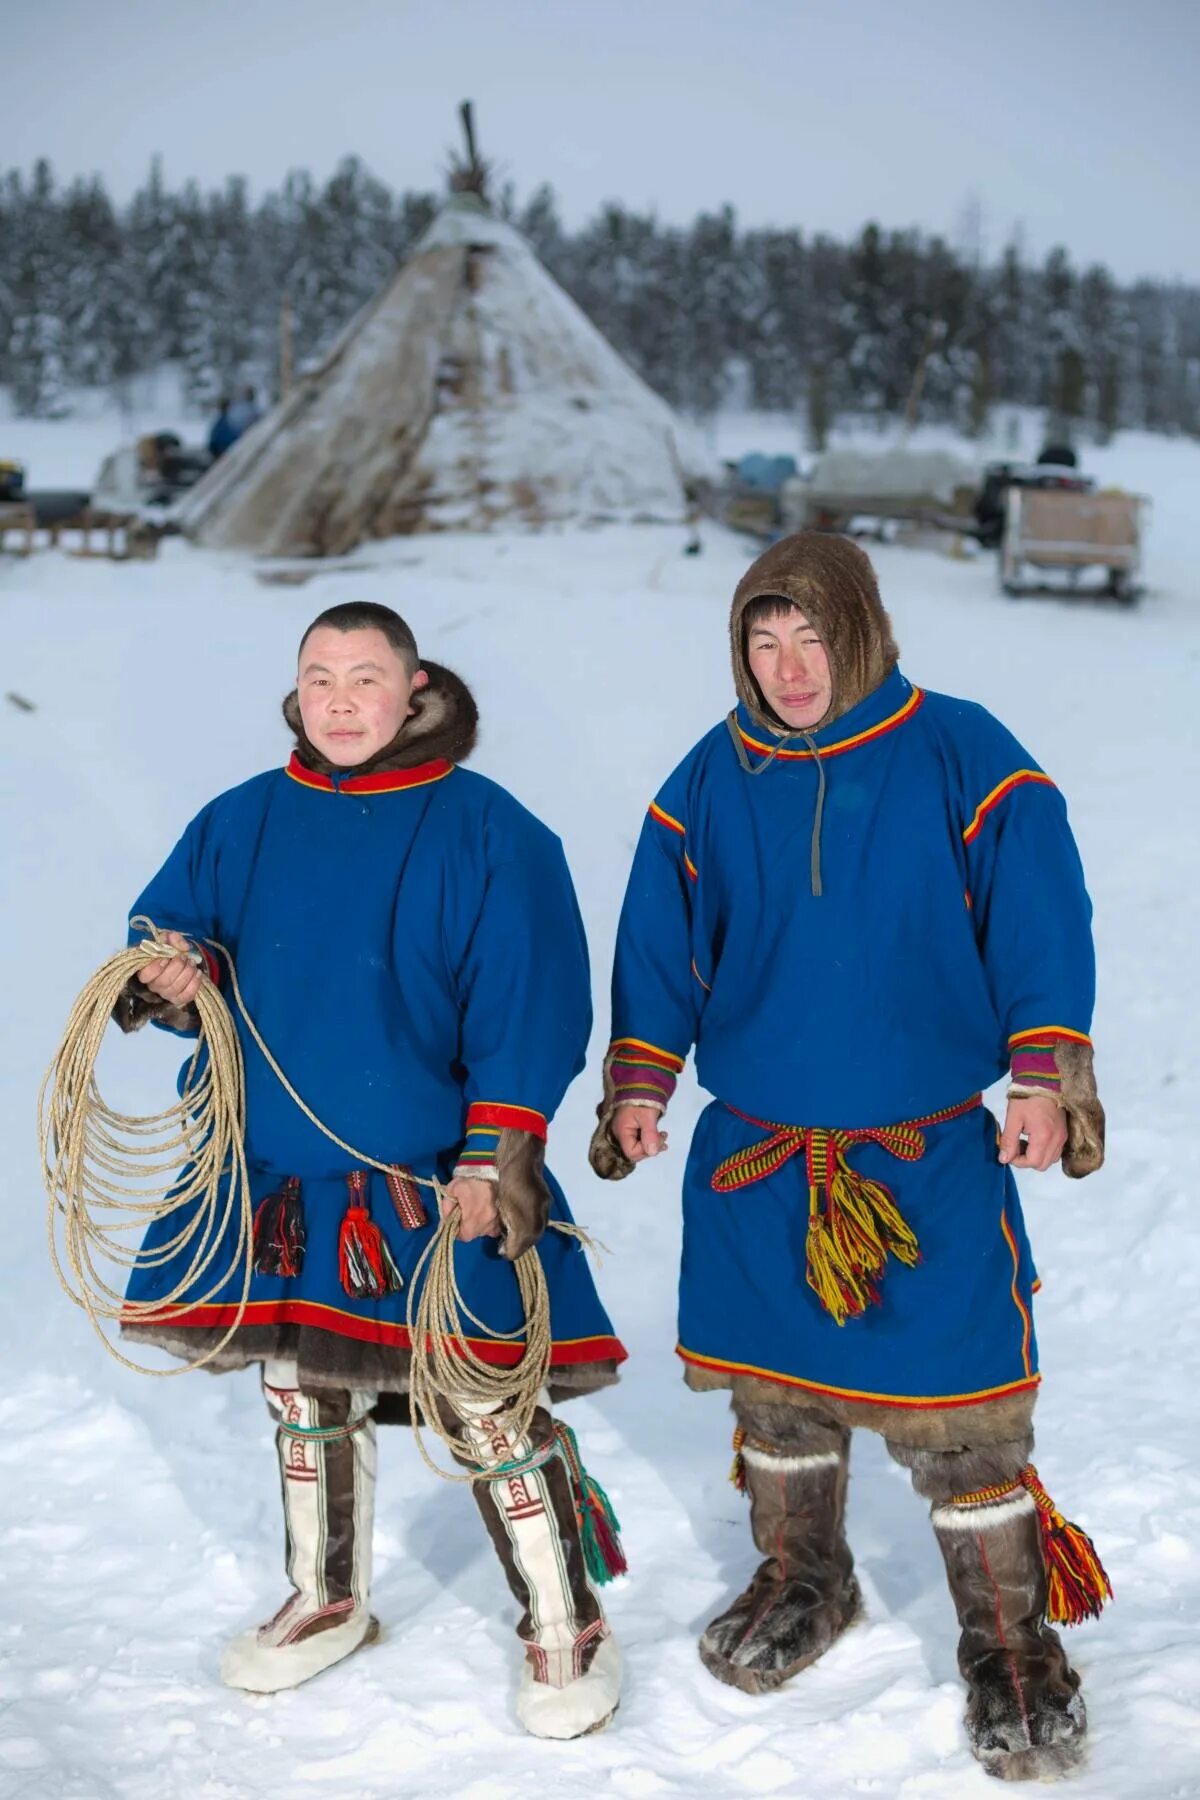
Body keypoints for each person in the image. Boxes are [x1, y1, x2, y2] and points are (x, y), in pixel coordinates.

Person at [589, 532, 1108, 1782]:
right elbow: (661, 941)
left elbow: (1040, 910)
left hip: (920, 1152)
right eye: (764, 642)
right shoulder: (711, 778)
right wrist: (641, 1079)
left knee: (966, 1414)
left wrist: (1044, 1072)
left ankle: (1009, 1644)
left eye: (811, 636)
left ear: (860, 627)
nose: (789, 666)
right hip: (758, 1156)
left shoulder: (960, 750)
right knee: (779, 1397)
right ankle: (805, 1575)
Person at [113, 601, 625, 1738]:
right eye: (321, 678)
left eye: (366, 677)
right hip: (278, 1177)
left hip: (435, 1174)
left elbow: (528, 1004)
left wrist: (496, 1156)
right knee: (302, 1390)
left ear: (415, 691)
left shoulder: (492, 832)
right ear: (297, 696)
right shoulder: (240, 820)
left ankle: (564, 1619)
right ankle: (325, 1594)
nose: (342, 700)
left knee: (485, 1396)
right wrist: (172, 971)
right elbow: (169, 924)